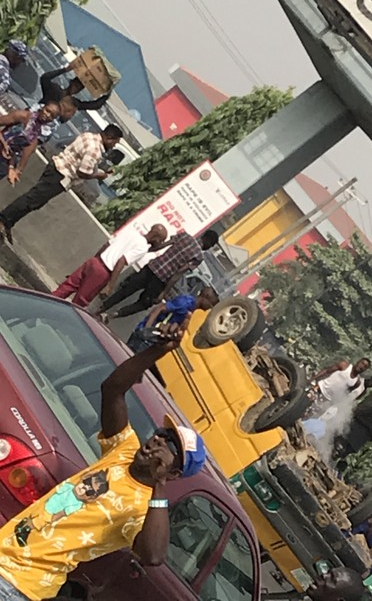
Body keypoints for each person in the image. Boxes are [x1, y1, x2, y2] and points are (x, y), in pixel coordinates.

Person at [0, 321, 207, 601]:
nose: (158, 441)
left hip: (19, 583)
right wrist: (156, 352)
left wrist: (159, 484)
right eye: (162, 434)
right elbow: (112, 389)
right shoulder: (122, 449)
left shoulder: (142, 510)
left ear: (175, 471)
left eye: (170, 445)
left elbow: (153, 555)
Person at [0, 124, 123, 243]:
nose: (114, 145)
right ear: (109, 138)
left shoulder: (88, 136)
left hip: (56, 167)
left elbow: (80, 161)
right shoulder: (95, 150)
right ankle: (4, 219)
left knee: (35, 201)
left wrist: (98, 171)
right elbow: (83, 172)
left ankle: (8, 223)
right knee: (32, 199)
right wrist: (99, 175)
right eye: (115, 142)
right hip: (60, 175)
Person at [98, 228, 219, 321]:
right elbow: (178, 274)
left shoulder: (184, 236)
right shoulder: (198, 256)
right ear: (209, 243)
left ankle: (100, 309)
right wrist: (164, 292)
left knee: (125, 290)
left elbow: (161, 246)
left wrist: (147, 249)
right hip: (161, 280)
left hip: (151, 268)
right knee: (143, 304)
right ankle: (111, 315)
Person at [52, 224, 169, 307]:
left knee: (67, 287)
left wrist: (94, 259)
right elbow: (121, 261)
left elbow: (107, 244)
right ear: (156, 238)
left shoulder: (132, 233)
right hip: (103, 272)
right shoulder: (142, 248)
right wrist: (110, 286)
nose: (160, 243)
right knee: (79, 303)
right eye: (161, 240)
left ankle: (42, 303)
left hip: (95, 261)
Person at [127, 286, 219, 354]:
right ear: (205, 297)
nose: (209, 309)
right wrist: (145, 330)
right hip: (144, 338)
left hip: (154, 341)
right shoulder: (185, 302)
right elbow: (159, 308)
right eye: (211, 305)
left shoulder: (192, 310)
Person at [0, 102, 61, 184]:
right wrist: (4, 143)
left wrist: (18, 170)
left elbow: (27, 152)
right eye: (47, 111)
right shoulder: (23, 116)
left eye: (52, 116)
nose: (48, 115)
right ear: (42, 108)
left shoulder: (37, 133)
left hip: (6, 160)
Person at [40, 60, 111, 111]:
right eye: (76, 86)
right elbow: (45, 78)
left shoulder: (73, 103)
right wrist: (65, 70)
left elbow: (93, 105)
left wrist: (107, 94)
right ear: (71, 82)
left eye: (79, 89)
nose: (76, 89)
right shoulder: (55, 90)